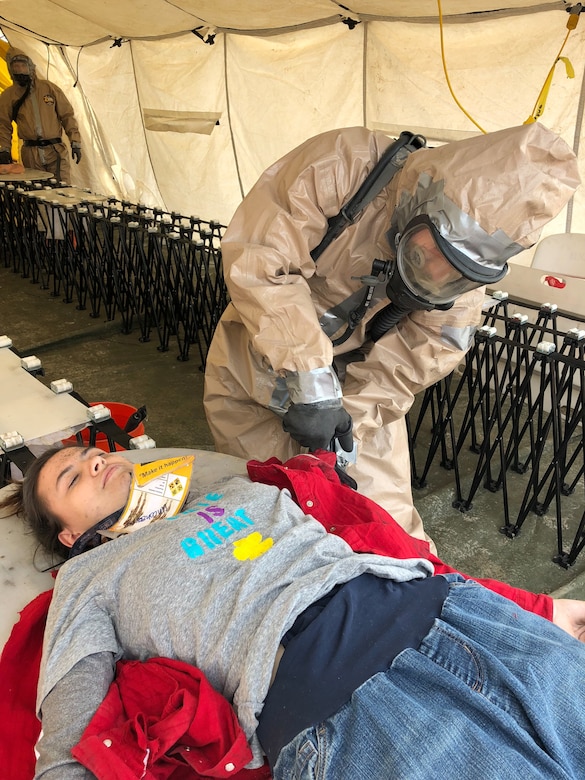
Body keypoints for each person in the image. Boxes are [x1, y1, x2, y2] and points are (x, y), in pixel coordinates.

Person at [2, 445, 585, 779]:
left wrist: (535, 607)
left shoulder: (231, 489)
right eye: (73, 476)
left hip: (450, 613)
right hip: (348, 702)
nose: (99, 464)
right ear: (70, 532)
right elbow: (68, 737)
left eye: (93, 455)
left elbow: (382, 545)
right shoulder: (89, 577)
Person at [203, 122, 580, 545]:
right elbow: (260, 262)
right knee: (259, 514)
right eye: (431, 251)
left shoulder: (462, 296)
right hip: (256, 357)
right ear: (419, 199)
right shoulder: (343, 166)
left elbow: (409, 364)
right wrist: (310, 378)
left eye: (455, 273)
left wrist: (349, 428)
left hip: (358, 385)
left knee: (388, 531)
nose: (435, 274)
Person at [0, 47, 82, 183]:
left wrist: (75, 142)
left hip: (55, 150)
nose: (19, 70)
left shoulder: (49, 88)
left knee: (62, 188)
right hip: (30, 153)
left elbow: (67, 115)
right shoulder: (9, 95)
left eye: (22, 65)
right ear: (10, 69)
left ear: (30, 66)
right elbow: (3, 124)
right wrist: (5, 149)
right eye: (15, 66)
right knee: (37, 190)